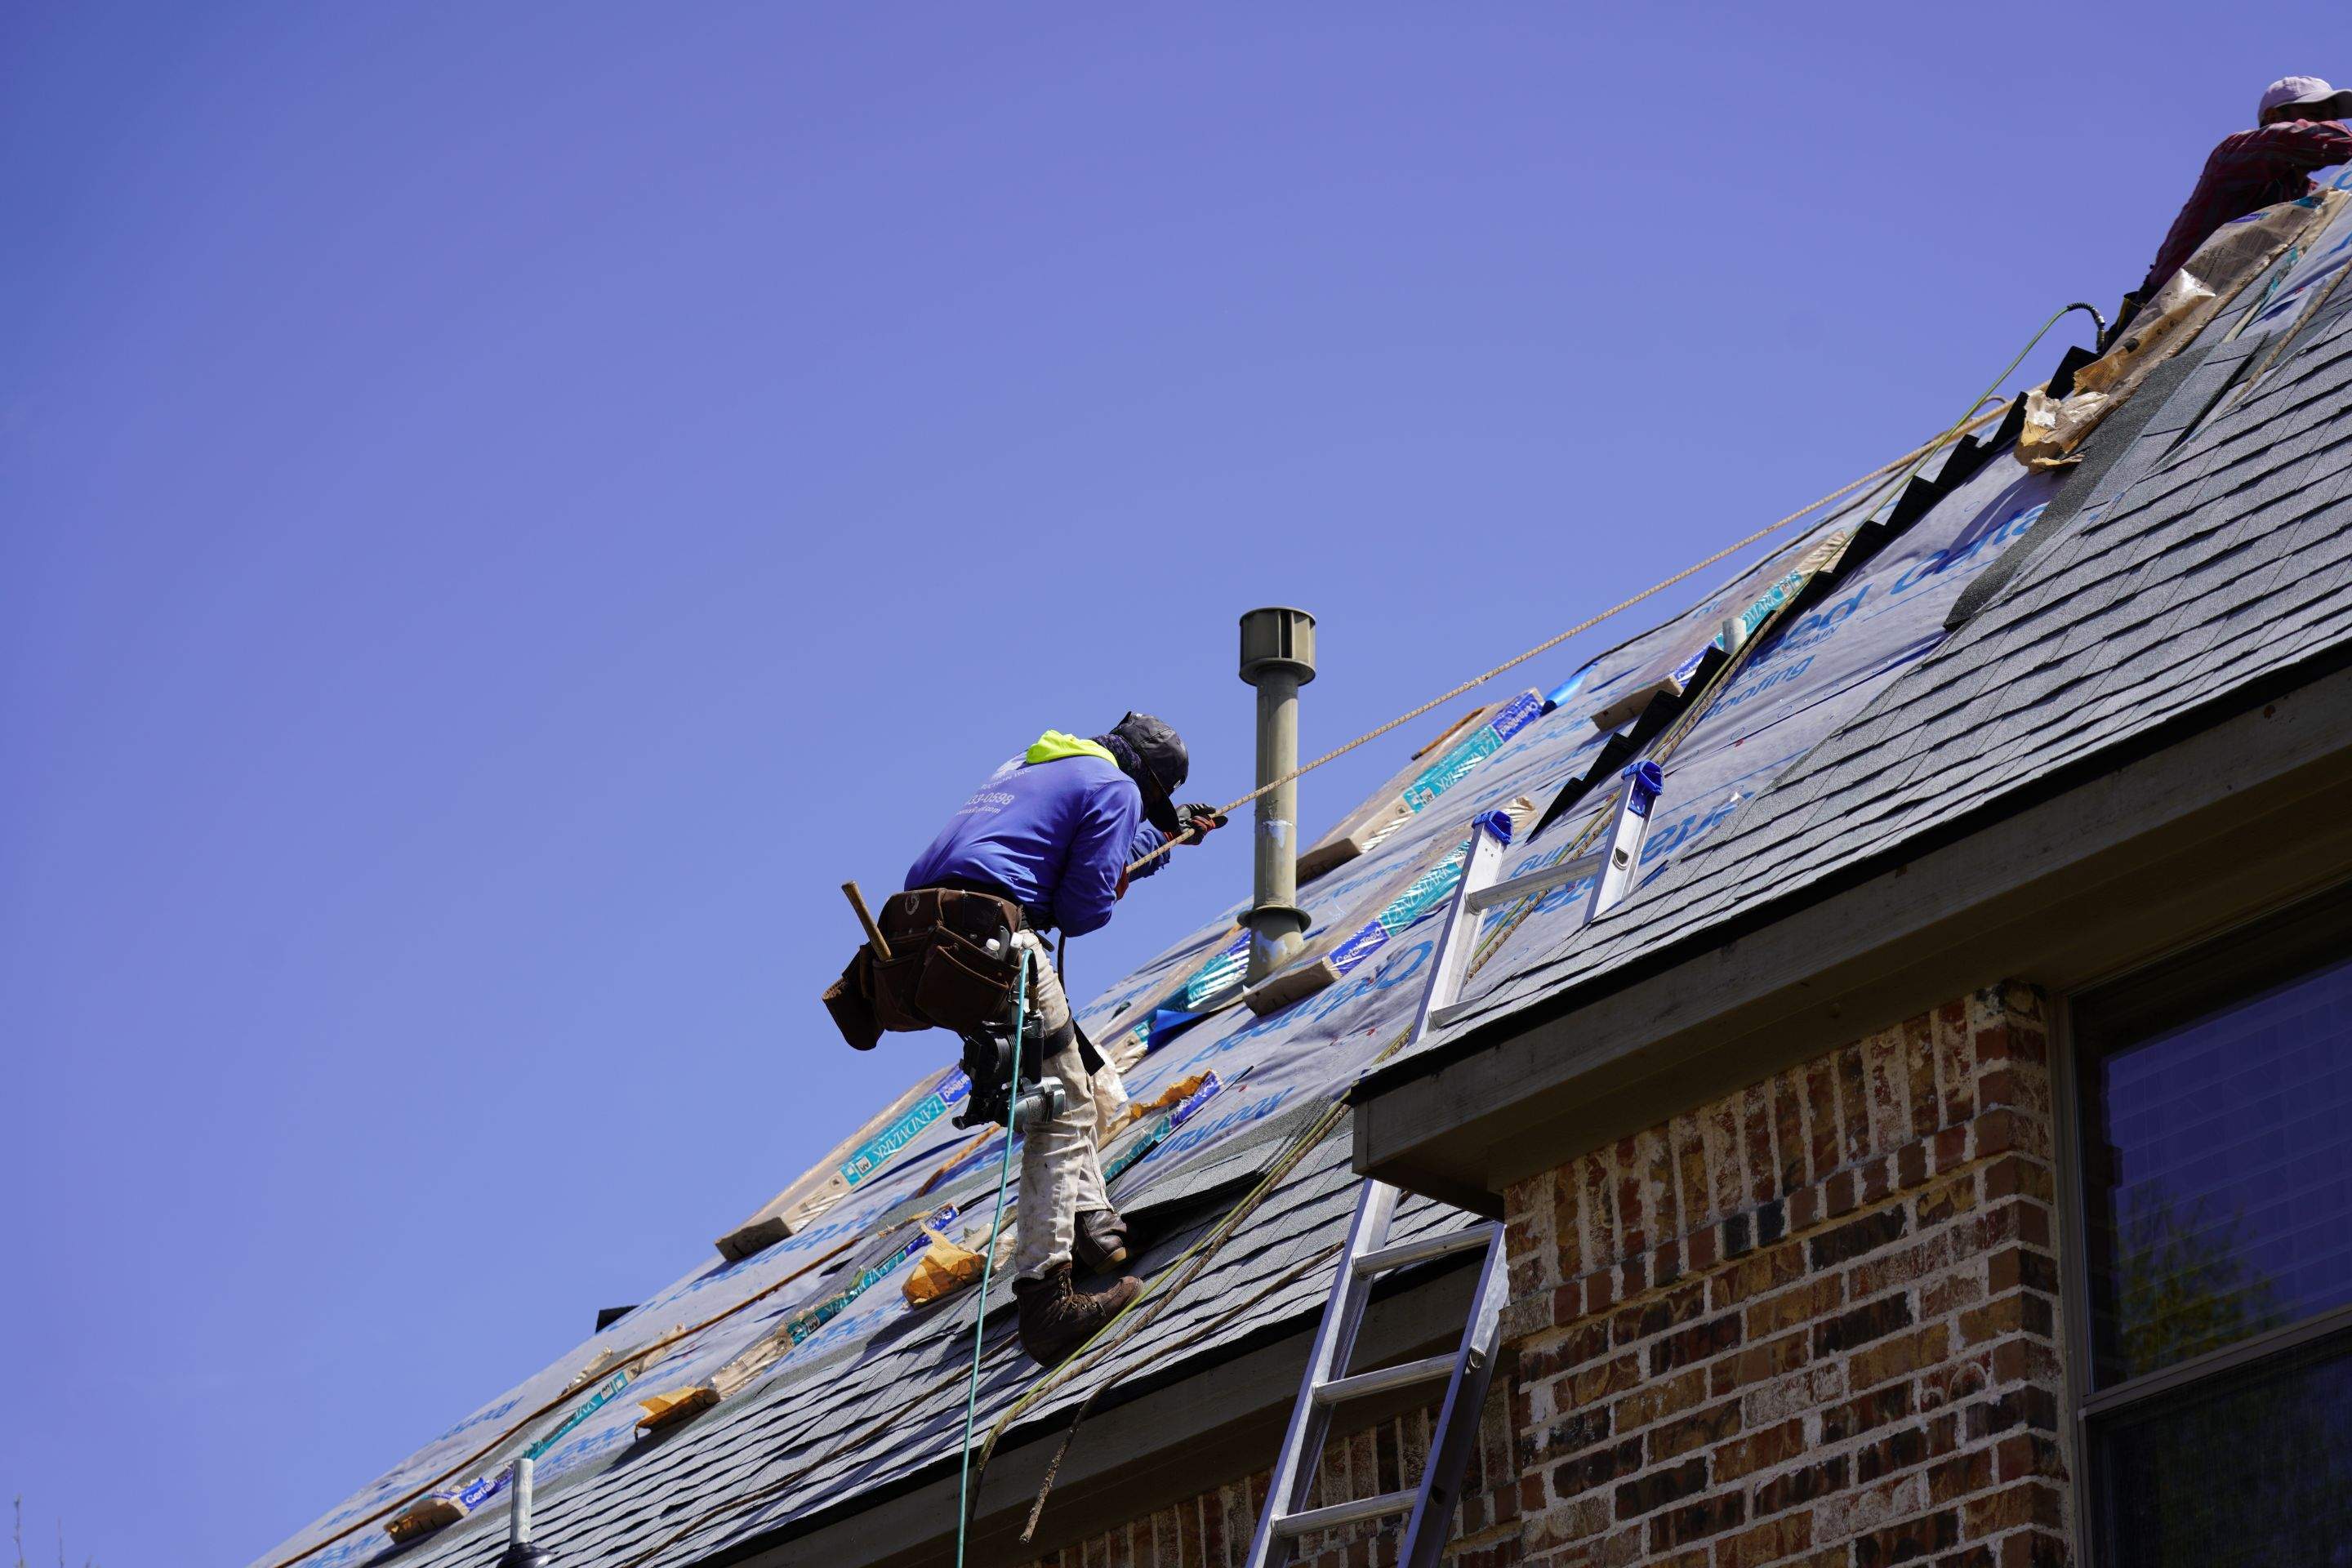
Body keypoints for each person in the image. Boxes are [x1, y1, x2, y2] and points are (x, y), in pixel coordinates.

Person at [823, 712, 1224, 1365]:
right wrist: (1148, 834)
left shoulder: (1030, 766)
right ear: (1150, 782)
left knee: (1080, 1077)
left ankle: (1095, 1227)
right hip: (996, 939)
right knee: (1062, 1108)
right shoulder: (1117, 791)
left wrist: (1161, 839)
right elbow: (1082, 908)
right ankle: (1046, 1295)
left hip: (927, 944)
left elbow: (1034, 854)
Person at [2125, 76, 2352, 326]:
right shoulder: (2236, 153)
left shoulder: (2311, 195)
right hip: (2167, 314)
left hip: (2227, 316)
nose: (2330, 123)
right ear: (2275, 117)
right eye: (2318, 114)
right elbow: (2299, 138)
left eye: (2333, 118)